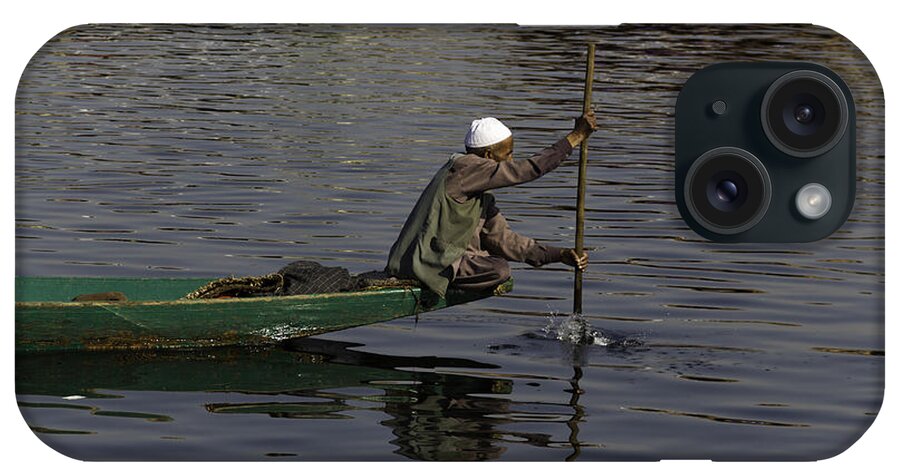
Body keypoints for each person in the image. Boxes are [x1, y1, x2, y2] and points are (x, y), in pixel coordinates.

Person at [386, 111, 598, 297]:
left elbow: (505, 241)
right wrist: (575, 138)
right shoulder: (465, 168)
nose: (511, 160)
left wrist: (559, 255)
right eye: (507, 154)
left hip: (437, 261)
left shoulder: (480, 195)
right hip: (424, 264)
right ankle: (438, 280)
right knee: (499, 269)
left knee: (497, 265)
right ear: (487, 156)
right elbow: (526, 170)